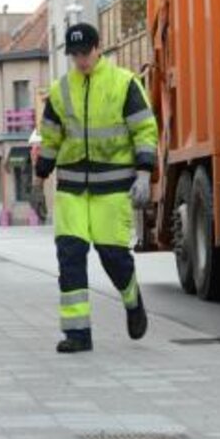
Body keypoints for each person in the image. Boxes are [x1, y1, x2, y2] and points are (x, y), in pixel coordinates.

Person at [34, 23, 158, 354]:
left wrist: (144, 173)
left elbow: (145, 130)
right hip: (72, 187)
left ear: (97, 48)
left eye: (84, 53)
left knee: (113, 256)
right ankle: (78, 334)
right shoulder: (60, 91)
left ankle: (132, 301)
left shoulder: (124, 84)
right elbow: (50, 139)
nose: (80, 60)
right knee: (70, 256)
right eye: (74, 55)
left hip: (113, 187)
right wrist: (40, 177)